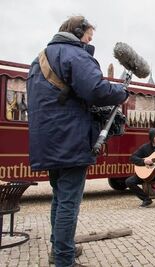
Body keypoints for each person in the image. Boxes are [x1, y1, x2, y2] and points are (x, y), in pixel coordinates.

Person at [27, 16, 128, 266]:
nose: (89, 42)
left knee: (60, 197)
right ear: (79, 32)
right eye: (89, 37)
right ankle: (64, 258)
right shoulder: (75, 55)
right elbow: (96, 90)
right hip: (70, 138)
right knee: (69, 202)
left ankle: (60, 248)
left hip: (48, 139)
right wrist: (121, 93)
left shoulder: (39, 59)